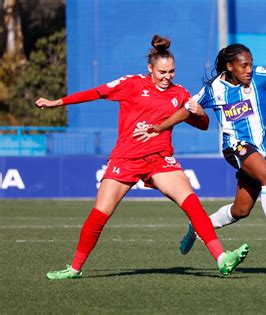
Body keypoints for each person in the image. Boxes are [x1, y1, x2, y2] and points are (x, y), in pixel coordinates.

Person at [35, 35, 250, 280]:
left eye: (172, 71)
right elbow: (95, 93)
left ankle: (222, 258)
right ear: (150, 69)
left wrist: (200, 114)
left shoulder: (180, 93)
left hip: (160, 160)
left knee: (191, 203)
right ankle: (73, 268)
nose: (168, 76)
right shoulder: (131, 84)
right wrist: (57, 103)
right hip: (125, 159)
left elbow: (202, 124)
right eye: (162, 72)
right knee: (99, 214)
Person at [133, 43, 266, 262]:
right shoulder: (214, 89)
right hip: (235, 147)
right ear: (230, 67)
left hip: (259, 152)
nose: (249, 69)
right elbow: (186, 110)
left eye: (250, 63)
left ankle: (197, 227)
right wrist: (159, 127)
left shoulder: (261, 76)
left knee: (241, 210)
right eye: (244, 65)